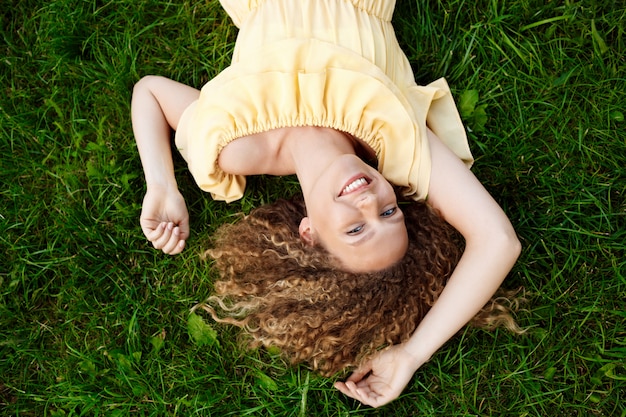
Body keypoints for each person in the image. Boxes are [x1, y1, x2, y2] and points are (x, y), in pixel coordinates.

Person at [131, 0, 522, 407]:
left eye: (355, 229)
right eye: (390, 213)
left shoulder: (238, 148)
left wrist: (161, 185)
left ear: (308, 233)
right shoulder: (393, 133)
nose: (369, 201)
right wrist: (412, 353)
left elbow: (151, 93)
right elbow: (497, 240)